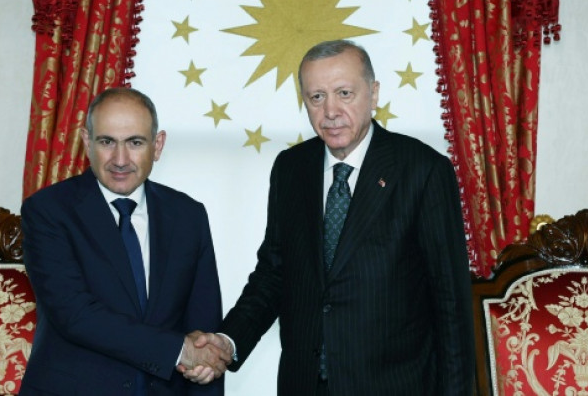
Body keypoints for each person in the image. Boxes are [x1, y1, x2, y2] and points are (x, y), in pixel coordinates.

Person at [187, 40, 475, 395]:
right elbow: (274, 275)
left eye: (344, 93)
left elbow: (451, 304)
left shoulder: (423, 170)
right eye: (317, 97)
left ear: (374, 93)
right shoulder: (291, 168)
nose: (331, 111)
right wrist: (227, 341)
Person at [20, 87, 229, 395]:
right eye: (107, 142)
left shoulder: (188, 215)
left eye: (135, 142)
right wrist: (178, 350)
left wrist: (204, 362)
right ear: (87, 142)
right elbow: (74, 314)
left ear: (157, 145)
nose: (120, 160)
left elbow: (203, 326)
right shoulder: (48, 210)